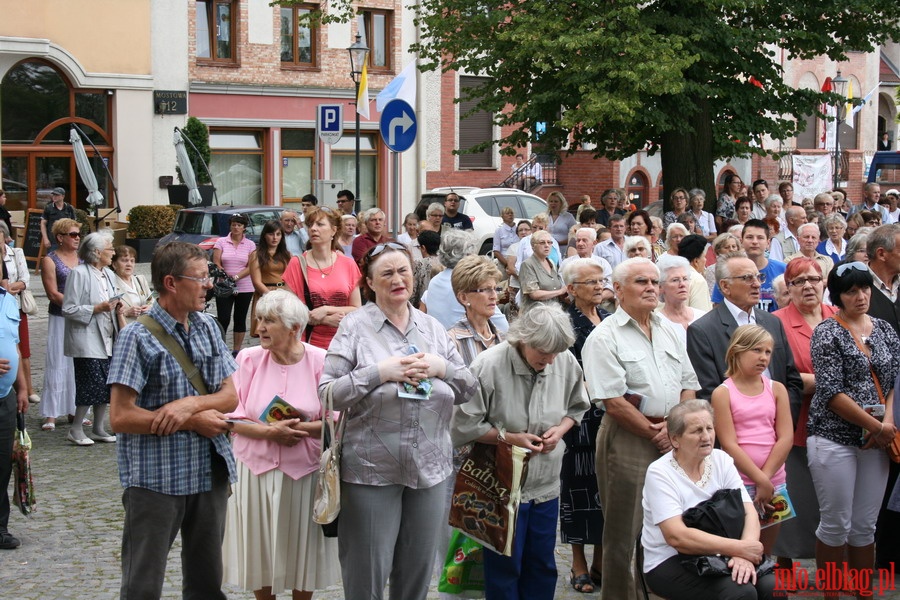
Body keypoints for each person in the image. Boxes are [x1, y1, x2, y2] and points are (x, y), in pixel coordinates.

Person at [319, 242, 477, 600]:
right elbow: (328, 393)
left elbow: (469, 389)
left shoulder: (433, 328)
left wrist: (443, 368)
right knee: (366, 574)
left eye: (403, 271)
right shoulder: (355, 328)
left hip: (431, 469)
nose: (397, 279)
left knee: (416, 574)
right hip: (371, 471)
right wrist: (378, 373)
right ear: (370, 283)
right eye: (386, 273)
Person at [108, 241, 239, 599]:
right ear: (170, 283)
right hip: (155, 477)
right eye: (200, 278)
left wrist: (189, 405)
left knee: (207, 582)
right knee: (142, 583)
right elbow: (120, 416)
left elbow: (230, 397)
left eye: (208, 276)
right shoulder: (136, 336)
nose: (209, 285)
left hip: (208, 470)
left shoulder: (209, 327)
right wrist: (191, 420)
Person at [452, 303, 590, 600]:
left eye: (556, 353)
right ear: (523, 339)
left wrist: (561, 430)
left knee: (541, 564)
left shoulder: (562, 358)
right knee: (504, 567)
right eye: (544, 354)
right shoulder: (488, 365)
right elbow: (462, 426)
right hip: (501, 485)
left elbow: (578, 407)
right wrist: (507, 438)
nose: (551, 361)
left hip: (545, 484)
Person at [582, 257, 700, 600]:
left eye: (653, 281)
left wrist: (674, 430)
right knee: (625, 530)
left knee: (667, 524)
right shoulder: (604, 336)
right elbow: (613, 400)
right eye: (640, 282)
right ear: (617, 290)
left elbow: (688, 384)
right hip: (629, 439)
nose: (651, 287)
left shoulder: (669, 329)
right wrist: (657, 433)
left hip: (673, 438)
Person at [222, 290, 339, 600]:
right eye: (259, 319)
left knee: (303, 551)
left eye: (269, 321)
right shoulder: (247, 359)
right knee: (260, 551)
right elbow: (230, 419)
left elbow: (337, 421)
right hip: (255, 470)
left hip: (304, 472)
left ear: (293, 328)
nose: (259, 327)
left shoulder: (321, 360)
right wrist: (270, 434)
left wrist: (301, 429)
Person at [808, 261, 900, 598]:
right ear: (838, 296)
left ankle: (864, 591)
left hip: (876, 441)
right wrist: (877, 426)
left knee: (864, 524)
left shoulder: (885, 329)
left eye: (864, 289)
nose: (860, 296)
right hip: (834, 438)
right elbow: (831, 393)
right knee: (836, 524)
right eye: (851, 291)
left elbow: (893, 383)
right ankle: (831, 592)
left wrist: (885, 425)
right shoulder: (827, 332)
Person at [641, 400, 776, 600]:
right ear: (675, 439)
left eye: (709, 428)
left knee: (772, 586)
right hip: (671, 559)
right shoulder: (660, 473)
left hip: (725, 552)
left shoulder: (721, 460)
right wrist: (738, 548)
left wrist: (745, 551)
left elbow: (749, 511)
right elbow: (677, 537)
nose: (706, 437)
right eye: (696, 431)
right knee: (740, 592)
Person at [440, 255, 506, 599]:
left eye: (497, 288)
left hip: (502, 448)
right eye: (486, 290)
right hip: (465, 452)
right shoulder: (450, 340)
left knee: (497, 536)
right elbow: (452, 400)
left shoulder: (505, 336)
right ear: (465, 297)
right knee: (461, 535)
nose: (494, 295)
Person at [772, 257, 835, 563]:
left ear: (824, 282)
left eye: (814, 278)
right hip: (793, 424)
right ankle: (781, 572)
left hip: (839, 425)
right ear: (789, 287)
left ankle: (833, 572)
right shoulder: (776, 322)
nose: (808, 286)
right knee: (789, 501)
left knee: (833, 505)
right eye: (799, 281)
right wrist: (832, 381)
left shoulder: (838, 316)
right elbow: (779, 378)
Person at [711, 325, 792, 555]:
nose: (763, 357)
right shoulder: (723, 392)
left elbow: (785, 437)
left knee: (766, 550)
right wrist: (759, 480)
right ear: (737, 351)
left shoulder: (777, 389)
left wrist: (766, 480)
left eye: (768, 352)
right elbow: (728, 443)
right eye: (756, 350)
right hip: (740, 481)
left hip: (775, 481)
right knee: (742, 548)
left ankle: (763, 590)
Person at [687, 253, 803, 406]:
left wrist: (786, 421)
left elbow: (792, 380)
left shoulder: (773, 322)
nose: (757, 284)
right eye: (747, 278)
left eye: (758, 277)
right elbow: (709, 392)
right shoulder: (702, 331)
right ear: (725, 286)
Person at [560, 258, 612, 593]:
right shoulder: (565, 323)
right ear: (572, 289)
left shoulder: (609, 319)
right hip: (579, 418)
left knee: (607, 490)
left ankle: (601, 560)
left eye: (600, 281)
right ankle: (578, 563)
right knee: (578, 491)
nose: (598, 287)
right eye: (590, 282)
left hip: (611, 415)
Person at [62, 230, 122, 446]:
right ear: (97, 252)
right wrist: (97, 308)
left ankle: (98, 427)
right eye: (110, 249)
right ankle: (76, 428)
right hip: (86, 338)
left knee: (105, 384)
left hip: (107, 336)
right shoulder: (79, 273)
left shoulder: (109, 274)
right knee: (91, 383)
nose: (113, 252)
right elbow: (68, 309)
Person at [283, 208, 362, 350]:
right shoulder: (297, 263)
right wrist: (325, 320)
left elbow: (357, 309)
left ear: (333, 230)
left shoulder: (348, 264)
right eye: (311, 224)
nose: (313, 229)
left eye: (319, 224)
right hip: (308, 344)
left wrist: (326, 309)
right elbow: (289, 310)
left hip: (344, 344)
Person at [422, 229, 509, 331]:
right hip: (464, 342)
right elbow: (503, 326)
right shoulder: (468, 283)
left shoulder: (435, 281)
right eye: (473, 253)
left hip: (439, 340)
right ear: (468, 255)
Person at [39, 218, 80, 431]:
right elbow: (53, 293)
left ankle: (76, 409)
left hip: (81, 319)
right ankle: (51, 413)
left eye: (78, 234)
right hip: (60, 316)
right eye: (73, 235)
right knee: (57, 361)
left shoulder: (83, 258)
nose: (77, 238)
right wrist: (78, 305)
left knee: (77, 363)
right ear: (60, 237)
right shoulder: (50, 260)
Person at [0, 279, 28, 550]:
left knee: (2, 466)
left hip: (4, 397)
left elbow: (15, 347)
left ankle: (0, 528)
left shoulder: (8, 300)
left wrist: (22, 387)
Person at [713, 220, 787, 312]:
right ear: (741, 241)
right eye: (749, 237)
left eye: (760, 238)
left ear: (768, 243)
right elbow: (718, 308)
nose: (755, 242)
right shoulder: (728, 270)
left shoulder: (783, 270)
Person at [0, 223, 38, 403]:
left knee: (22, 349)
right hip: (6, 301)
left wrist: (10, 287)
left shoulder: (15, 253)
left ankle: (27, 388)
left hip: (15, 307)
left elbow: (25, 279)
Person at [213, 214, 256, 354]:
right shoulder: (221, 242)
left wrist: (236, 277)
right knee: (223, 317)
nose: (236, 227)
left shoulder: (250, 244)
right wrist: (224, 274)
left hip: (244, 286)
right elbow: (216, 262)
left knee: (240, 318)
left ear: (244, 227)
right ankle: (220, 347)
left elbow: (251, 266)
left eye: (239, 225)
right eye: (233, 224)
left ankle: (237, 350)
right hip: (224, 285)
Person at [248, 220, 291, 338]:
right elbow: (256, 281)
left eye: (278, 234)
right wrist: (271, 297)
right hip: (265, 294)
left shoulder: (286, 255)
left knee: (283, 330)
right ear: (264, 235)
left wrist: (286, 296)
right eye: (271, 234)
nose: (275, 238)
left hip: (283, 293)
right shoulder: (256, 255)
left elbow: (290, 278)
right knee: (265, 330)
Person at [656, 254, 707, 347]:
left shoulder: (702, 317)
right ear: (660, 287)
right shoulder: (657, 323)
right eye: (675, 280)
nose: (682, 284)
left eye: (685, 279)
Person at [518, 230, 567, 311]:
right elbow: (534, 294)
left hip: (555, 311)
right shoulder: (527, 264)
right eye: (542, 243)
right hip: (536, 313)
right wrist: (560, 292)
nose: (547, 245)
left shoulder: (551, 263)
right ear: (533, 246)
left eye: (549, 242)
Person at [110, 245, 153, 323]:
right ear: (114, 264)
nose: (129, 264)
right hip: (126, 330)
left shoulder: (140, 279)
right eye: (124, 260)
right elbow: (108, 314)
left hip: (144, 327)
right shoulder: (110, 284)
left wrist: (149, 307)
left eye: (132, 261)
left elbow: (151, 300)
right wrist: (126, 312)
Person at [676, 233, 714, 312]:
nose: (705, 260)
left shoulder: (669, 275)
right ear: (696, 261)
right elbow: (701, 315)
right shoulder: (697, 280)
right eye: (704, 257)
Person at [411, 230, 443, 310]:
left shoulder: (418, 264)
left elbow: (413, 292)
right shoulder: (445, 262)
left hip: (422, 308)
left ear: (423, 248)